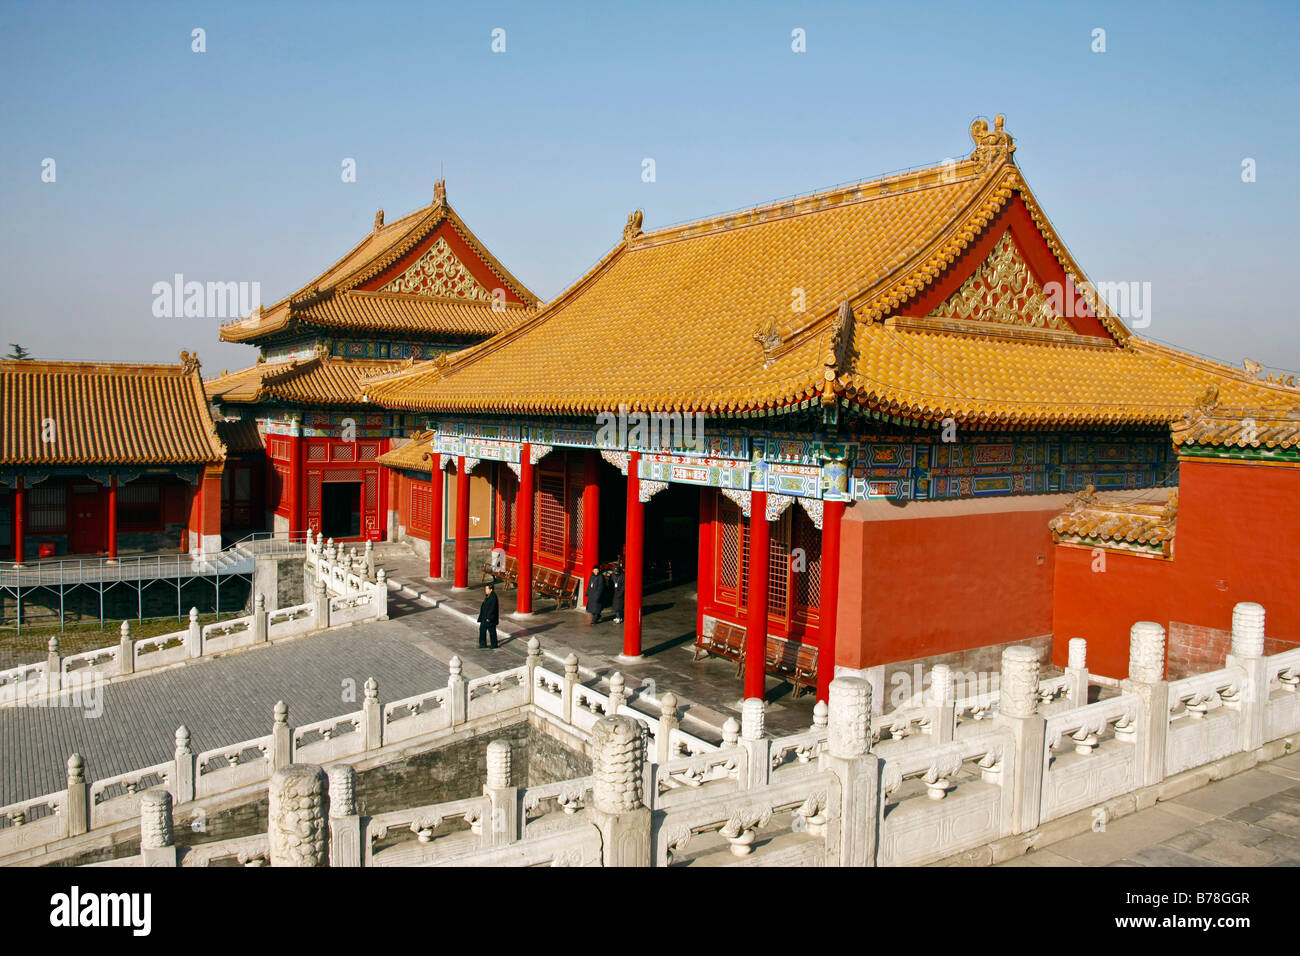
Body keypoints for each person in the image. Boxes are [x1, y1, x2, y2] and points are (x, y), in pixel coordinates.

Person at [478, 583, 499, 648]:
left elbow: (492, 608)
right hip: (484, 616)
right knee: (482, 629)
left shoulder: (493, 597)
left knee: (492, 631)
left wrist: (489, 618)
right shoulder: (488, 596)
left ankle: (494, 644)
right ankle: (483, 644)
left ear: (491, 589)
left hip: (489, 618)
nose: (485, 590)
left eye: (487, 589)